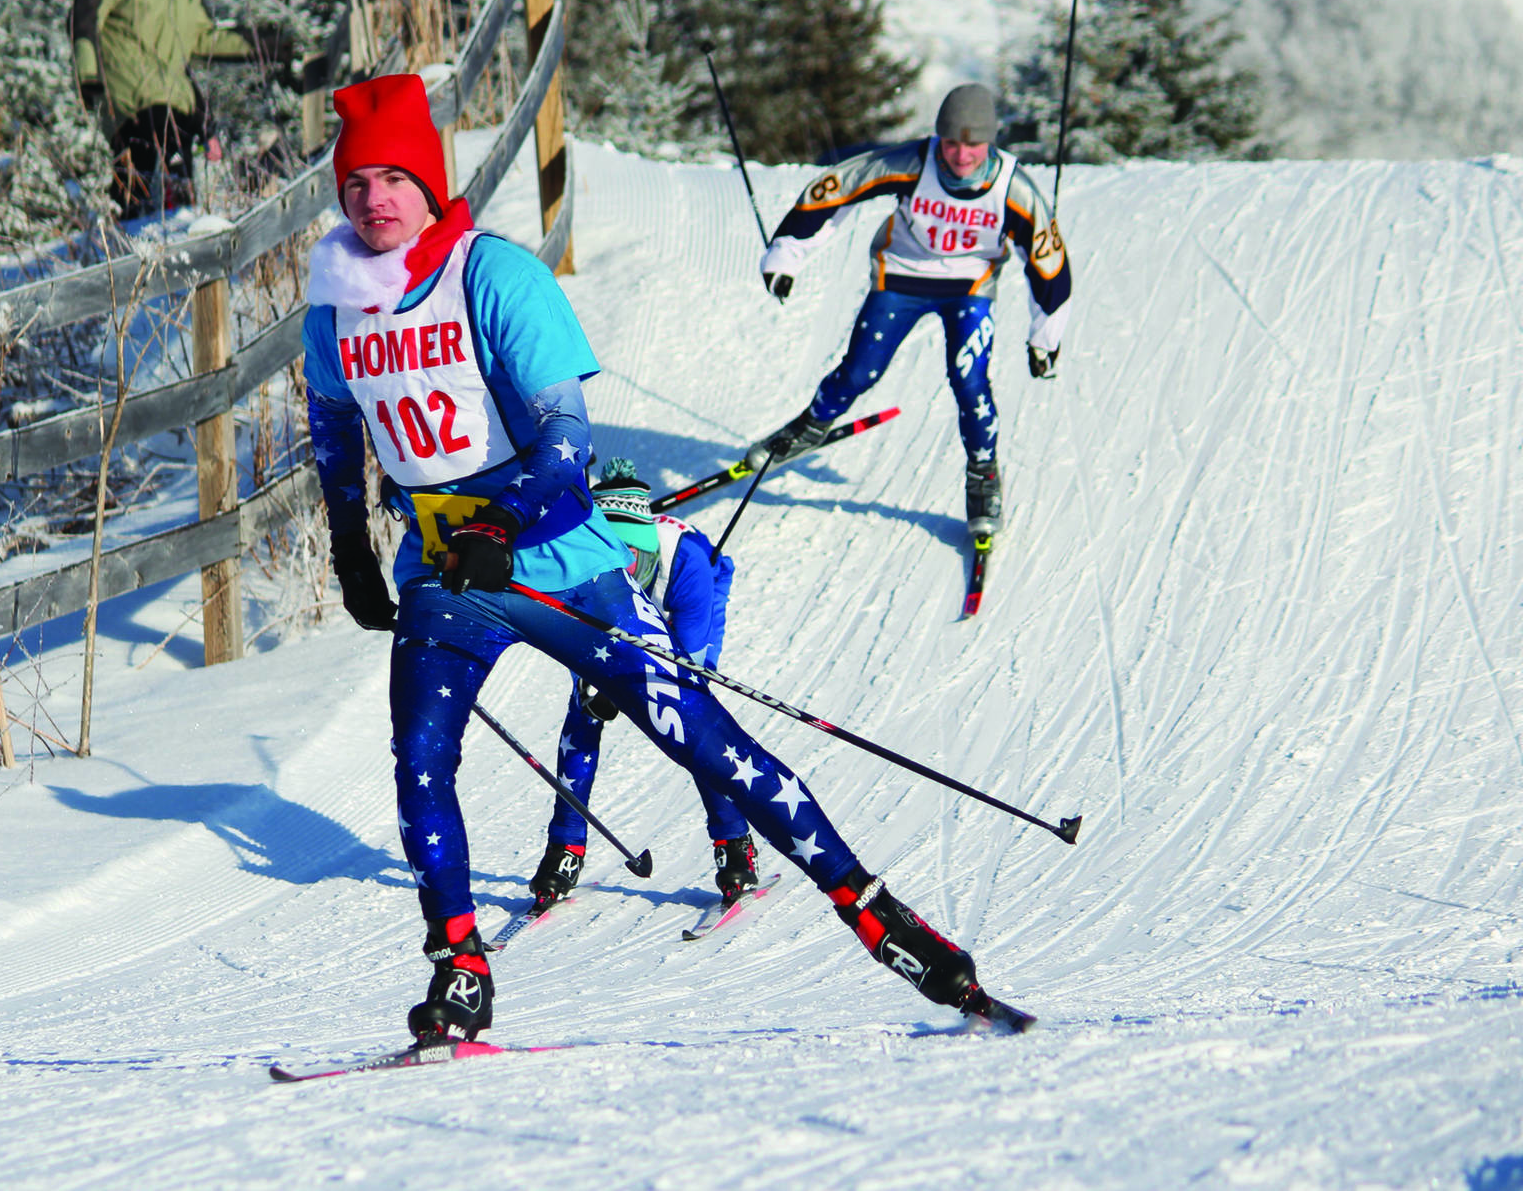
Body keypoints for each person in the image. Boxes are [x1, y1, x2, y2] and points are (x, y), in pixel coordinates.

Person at [302, 72, 1014, 1045]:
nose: (375, 198)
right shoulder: (335, 302)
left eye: (395, 177)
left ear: (430, 184)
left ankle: (871, 908)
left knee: (700, 738)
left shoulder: (493, 276)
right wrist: (349, 545)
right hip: (448, 579)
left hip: (559, 563)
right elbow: (333, 427)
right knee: (418, 764)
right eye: (357, 183)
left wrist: (497, 525)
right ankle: (459, 968)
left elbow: (564, 446)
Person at [748, 83, 1072, 538]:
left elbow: (1048, 264)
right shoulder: (911, 162)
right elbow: (836, 189)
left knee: (969, 379)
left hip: (970, 287)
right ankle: (811, 426)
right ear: (940, 136)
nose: (961, 156)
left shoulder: (1013, 189)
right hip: (900, 277)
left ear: (991, 142)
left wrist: (1045, 337)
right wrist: (787, 253)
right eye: (953, 143)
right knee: (860, 372)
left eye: (974, 145)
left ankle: (983, 475)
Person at [527, 459, 760, 914]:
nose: (628, 572)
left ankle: (734, 842)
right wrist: (594, 688)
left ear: (649, 549)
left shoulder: (686, 561)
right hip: (606, 614)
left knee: (691, 717)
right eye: (618, 562)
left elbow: (683, 666)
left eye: (636, 561)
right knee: (583, 717)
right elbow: (579, 640)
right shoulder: (583, 566)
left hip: (685, 607)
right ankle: (566, 847)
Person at [68, 0, 285, 217]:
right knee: (142, 167)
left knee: (175, 177)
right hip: (128, 92)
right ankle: (132, 241)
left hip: (171, 94)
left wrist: (266, 45)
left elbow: (203, 39)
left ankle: (169, 238)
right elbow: (86, 9)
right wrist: (88, 75)